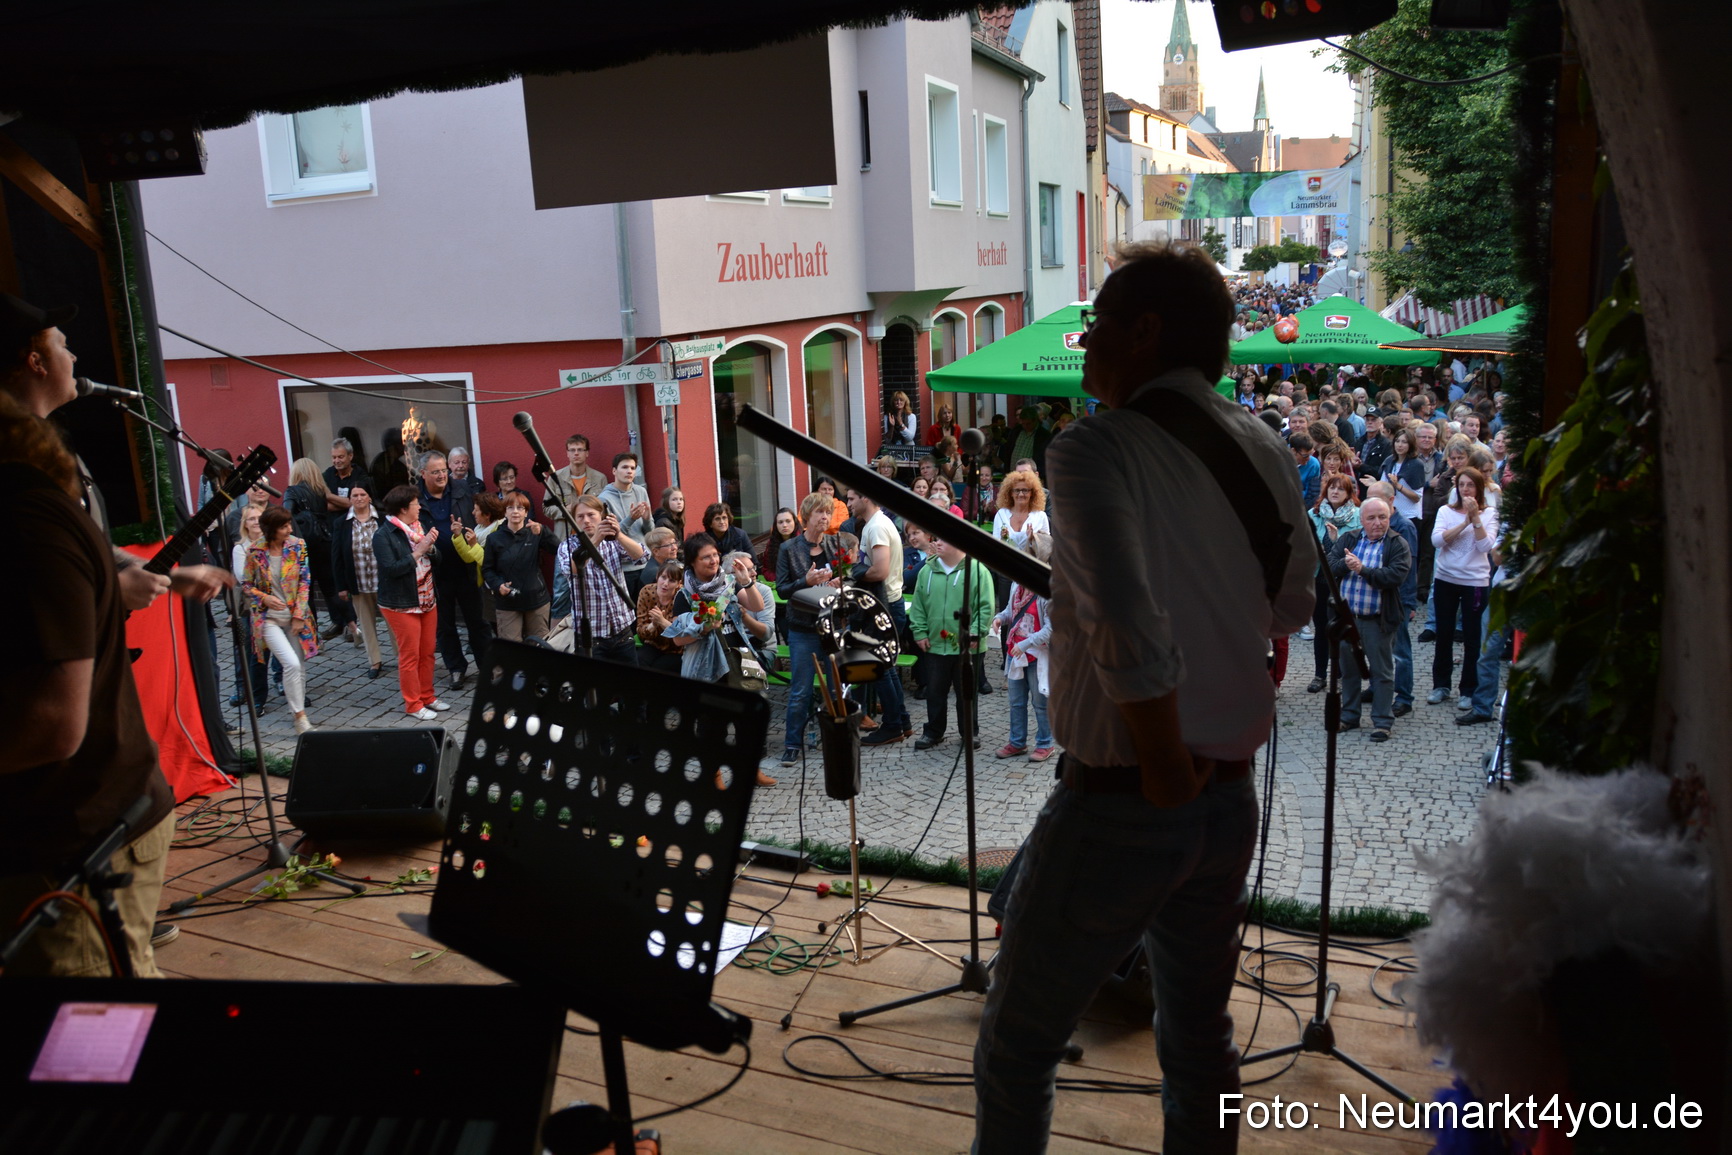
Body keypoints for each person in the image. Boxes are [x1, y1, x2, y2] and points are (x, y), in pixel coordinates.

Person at [972, 241, 1313, 1154]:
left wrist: (1162, 762)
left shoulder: (1092, 447)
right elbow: (1291, 601)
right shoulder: (1263, 445)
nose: (1086, 343)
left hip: (1132, 793)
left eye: (1099, 325)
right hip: (1228, 796)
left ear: (1147, 331)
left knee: (1017, 1042)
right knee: (1199, 1039)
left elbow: (1125, 613)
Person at [0, 388, 182, 977]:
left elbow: (55, 721)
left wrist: (124, 578)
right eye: (62, 343)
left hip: (80, 824)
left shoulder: (27, 519)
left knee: (94, 1026)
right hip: (58, 826)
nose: (74, 357)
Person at [1327, 497, 1410, 743]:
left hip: (1377, 620)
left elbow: (1395, 576)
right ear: (1361, 520)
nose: (1377, 523)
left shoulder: (1397, 543)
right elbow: (1330, 566)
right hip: (1348, 619)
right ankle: (1350, 716)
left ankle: (1382, 722)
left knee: (1382, 672)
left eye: (1382, 517)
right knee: (1349, 671)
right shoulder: (1349, 538)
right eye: (1371, 518)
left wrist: (1363, 570)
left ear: (1389, 518)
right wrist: (1346, 564)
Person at [906, 531, 994, 750]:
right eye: (935, 539)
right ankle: (934, 732)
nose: (937, 543)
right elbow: (918, 605)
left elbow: (986, 606)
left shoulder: (978, 571)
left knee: (967, 695)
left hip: (968, 648)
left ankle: (969, 733)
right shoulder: (926, 571)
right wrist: (920, 631)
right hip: (936, 644)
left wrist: (975, 632)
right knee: (935, 692)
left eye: (942, 538)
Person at [775, 492, 841, 766]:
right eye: (819, 513)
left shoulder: (835, 544)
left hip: (832, 624)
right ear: (806, 517)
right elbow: (782, 589)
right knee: (801, 689)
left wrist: (840, 583)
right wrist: (806, 580)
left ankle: (838, 738)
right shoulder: (789, 549)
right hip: (803, 628)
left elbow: (848, 576)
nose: (825, 517)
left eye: (828, 512)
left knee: (837, 686)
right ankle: (792, 744)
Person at [242, 507, 319, 734]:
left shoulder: (298, 546)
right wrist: (264, 597)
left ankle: (298, 709)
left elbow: (305, 582)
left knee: (299, 666)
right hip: (268, 619)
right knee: (291, 663)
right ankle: (300, 717)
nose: (289, 529)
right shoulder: (255, 551)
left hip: (296, 616)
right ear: (271, 529)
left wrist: (299, 616)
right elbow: (246, 585)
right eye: (284, 526)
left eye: (289, 525)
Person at [848, 486, 914, 747]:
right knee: (887, 668)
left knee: (880, 669)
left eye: (852, 498)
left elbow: (880, 571)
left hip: (884, 606)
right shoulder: (875, 523)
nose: (848, 503)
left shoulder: (875, 526)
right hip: (887, 604)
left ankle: (893, 726)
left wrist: (853, 571)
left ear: (866, 496)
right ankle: (903, 721)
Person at [416, 451, 487, 689]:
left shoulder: (461, 488)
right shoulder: (416, 498)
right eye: (434, 472)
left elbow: (479, 515)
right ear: (422, 473)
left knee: (477, 621)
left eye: (443, 470)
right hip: (436, 572)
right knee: (444, 625)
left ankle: (486, 665)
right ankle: (456, 667)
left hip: (466, 567)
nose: (441, 475)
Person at [1429, 467, 1498, 711]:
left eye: (1470, 485)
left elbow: (1485, 546)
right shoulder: (1445, 511)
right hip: (1446, 578)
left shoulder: (1490, 514)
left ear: (1479, 489)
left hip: (1475, 582)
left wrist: (1475, 519)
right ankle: (1441, 685)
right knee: (1444, 634)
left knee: (1472, 638)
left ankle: (1468, 689)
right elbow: (1437, 541)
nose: (1465, 489)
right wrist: (1463, 523)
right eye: (1461, 485)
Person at [374, 484, 445, 720]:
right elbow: (392, 569)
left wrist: (431, 548)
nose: (419, 507)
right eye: (416, 504)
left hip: (427, 598)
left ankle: (427, 696)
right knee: (410, 655)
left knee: (427, 652)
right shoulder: (384, 535)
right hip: (401, 604)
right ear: (404, 508)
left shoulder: (418, 527)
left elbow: (437, 559)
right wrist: (419, 550)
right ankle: (413, 704)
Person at [555, 494, 645, 664]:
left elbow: (641, 556)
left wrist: (618, 534)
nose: (586, 521)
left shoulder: (612, 541)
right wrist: (595, 540)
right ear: (573, 521)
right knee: (594, 689)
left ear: (601, 516)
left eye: (591, 515)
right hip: (591, 637)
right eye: (580, 517)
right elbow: (574, 568)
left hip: (622, 632)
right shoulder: (567, 546)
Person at [993, 531, 1055, 761]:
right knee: (1016, 701)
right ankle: (1017, 742)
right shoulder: (1017, 586)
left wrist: (1027, 643)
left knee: (1040, 702)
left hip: (1037, 654)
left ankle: (1045, 743)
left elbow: (1051, 628)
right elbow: (1011, 612)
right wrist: (1000, 618)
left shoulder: (1048, 590)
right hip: (1015, 651)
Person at [283, 457, 345, 640]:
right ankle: (348, 623)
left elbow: (286, 514)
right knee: (331, 589)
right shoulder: (319, 491)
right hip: (324, 541)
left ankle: (312, 635)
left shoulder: (292, 491)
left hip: (304, 544)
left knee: (306, 592)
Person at [483, 492, 558, 642]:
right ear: (505, 512)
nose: (515, 511)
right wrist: (498, 585)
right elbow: (487, 569)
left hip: (536, 600)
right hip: (508, 602)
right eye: (510, 508)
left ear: (526, 512)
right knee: (511, 651)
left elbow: (559, 549)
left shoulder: (535, 531)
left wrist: (544, 533)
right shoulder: (494, 538)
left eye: (520, 508)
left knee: (539, 647)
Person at [330, 484, 387, 679]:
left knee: (393, 620)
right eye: (355, 495)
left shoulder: (383, 518)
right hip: (358, 581)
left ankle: (402, 656)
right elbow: (336, 555)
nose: (359, 498)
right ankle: (375, 661)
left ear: (370, 497)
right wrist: (341, 586)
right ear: (350, 499)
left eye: (363, 494)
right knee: (366, 622)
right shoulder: (342, 523)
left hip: (383, 580)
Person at [598, 451, 655, 592]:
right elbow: (610, 536)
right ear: (614, 471)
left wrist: (647, 519)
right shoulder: (604, 499)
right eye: (624, 467)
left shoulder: (641, 492)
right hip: (623, 567)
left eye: (632, 468)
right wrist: (631, 519)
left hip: (646, 562)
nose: (629, 471)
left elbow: (650, 532)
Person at [543, 433, 607, 543]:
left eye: (580, 450)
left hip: (594, 538)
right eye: (572, 450)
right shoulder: (555, 478)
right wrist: (564, 511)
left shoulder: (599, 479)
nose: (576, 453)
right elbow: (546, 508)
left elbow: (605, 509)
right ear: (567, 453)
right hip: (565, 540)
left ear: (587, 453)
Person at [635, 559, 687, 675]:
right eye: (663, 577)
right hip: (654, 642)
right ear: (657, 576)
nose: (665, 584)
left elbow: (682, 634)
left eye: (672, 580)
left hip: (676, 649)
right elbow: (640, 631)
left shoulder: (682, 596)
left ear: (679, 583)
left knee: (659, 668)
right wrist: (653, 625)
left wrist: (662, 621)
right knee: (639, 661)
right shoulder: (647, 592)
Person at [1006, 405, 1053, 480]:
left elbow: (1045, 459)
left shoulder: (1044, 436)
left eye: (1028, 424)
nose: (1025, 426)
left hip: (1031, 477)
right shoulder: (1016, 431)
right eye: (1023, 423)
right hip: (1013, 476)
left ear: (1035, 420)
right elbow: (1008, 451)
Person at [763, 507, 799, 578]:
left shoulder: (803, 541)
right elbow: (766, 569)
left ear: (794, 522)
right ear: (776, 525)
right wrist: (778, 579)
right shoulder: (771, 543)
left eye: (788, 521)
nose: (784, 525)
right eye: (780, 522)